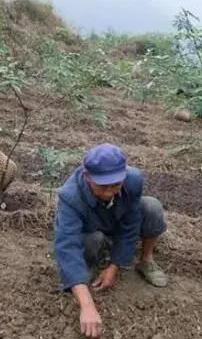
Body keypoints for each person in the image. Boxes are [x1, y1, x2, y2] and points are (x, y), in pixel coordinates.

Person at [53, 143, 168, 338]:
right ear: (87, 176)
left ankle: (146, 261)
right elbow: (67, 247)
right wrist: (87, 306)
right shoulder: (71, 196)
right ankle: (86, 269)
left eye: (115, 185)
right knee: (93, 242)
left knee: (152, 207)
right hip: (91, 229)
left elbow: (131, 224)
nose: (108, 193)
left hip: (115, 220)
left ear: (123, 176)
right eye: (101, 186)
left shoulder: (133, 181)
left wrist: (115, 266)